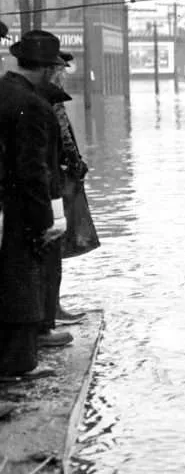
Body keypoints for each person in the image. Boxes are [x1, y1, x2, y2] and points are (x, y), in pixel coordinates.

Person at [0, 31, 69, 380]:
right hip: (17, 211)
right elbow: (33, 170)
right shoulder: (35, 107)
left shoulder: (3, 92)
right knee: (22, 282)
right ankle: (18, 365)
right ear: (45, 70)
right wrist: (44, 220)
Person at [37, 54, 96, 328]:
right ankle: (51, 311)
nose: (65, 74)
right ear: (53, 70)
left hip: (48, 179)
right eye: (62, 69)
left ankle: (49, 309)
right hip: (56, 182)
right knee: (54, 244)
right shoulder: (52, 98)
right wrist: (76, 163)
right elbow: (64, 136)